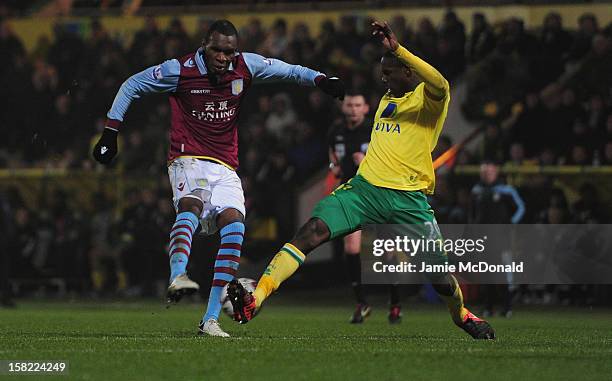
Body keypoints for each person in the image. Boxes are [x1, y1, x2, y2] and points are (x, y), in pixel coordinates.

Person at [228, 21, 495, 340]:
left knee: (438, 275)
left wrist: (397, 49)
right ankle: (255, 300)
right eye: (382, 73)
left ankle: (461, 315)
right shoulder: (387, 100)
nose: (384, 78)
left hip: (408, 198)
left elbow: (440, 83)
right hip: (365, 190)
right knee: (312, 231)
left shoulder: (428, 100)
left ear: (408, 72)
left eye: (390, 72)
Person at [92, 19, 345, 337]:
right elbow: (132, 85)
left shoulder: (246, 66)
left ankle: (209, 319)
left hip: (225, 165)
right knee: (191, 206)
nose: (224, 58)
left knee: (235, 225)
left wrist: (320, 79)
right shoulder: (179, 70)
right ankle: (178, 275)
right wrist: (111, 132)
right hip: (187, 158)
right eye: (217, 50)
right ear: (204, 45)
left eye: (229, 52)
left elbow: (289, 70)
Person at [328, 91, 401, 323]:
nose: (353, 109)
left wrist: (368, 160)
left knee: (388, 249)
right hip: (351, 193)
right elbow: (332, 155)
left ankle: (395, 303)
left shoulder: (376, 129)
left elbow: (392, 156)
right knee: (351, 248)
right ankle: (363, 302)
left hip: (378, 190)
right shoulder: (336, 131)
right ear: (344, 107)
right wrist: (334, 166)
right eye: (349, 104)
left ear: (366, 108)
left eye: (358, 105)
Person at [470, 161, 525, 318]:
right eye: (483, 172)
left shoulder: (505, 190)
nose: (486, 175)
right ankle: (488, 307)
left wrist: (512, 223)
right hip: (483, 237)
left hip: (501, 237)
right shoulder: (477, 190)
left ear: (495, 172)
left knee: (504, 272)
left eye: (489, 172)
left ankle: (507, 307)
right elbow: (472, 213)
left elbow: (521, 207)